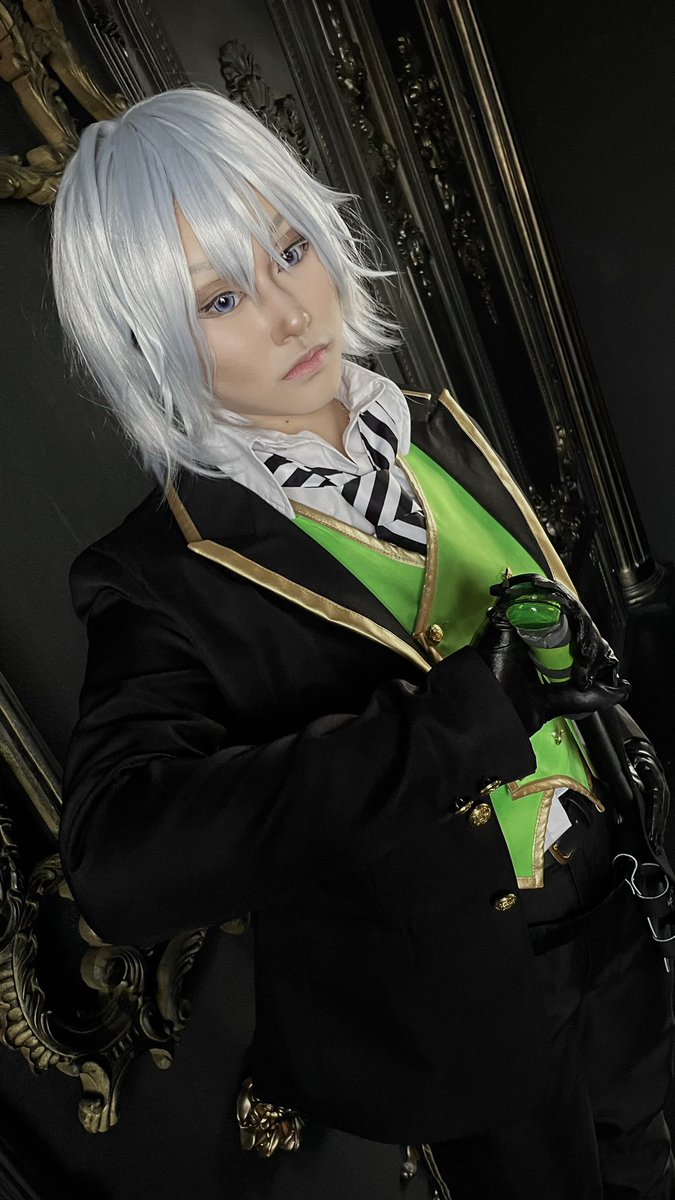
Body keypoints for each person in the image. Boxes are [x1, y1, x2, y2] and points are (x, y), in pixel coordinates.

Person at [51, 86, 675, 1199]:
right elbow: (119, 864)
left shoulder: (430, 424)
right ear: (148, 343)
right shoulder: (158, 576)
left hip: (619, 917)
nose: (291, 313)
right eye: (222, 297)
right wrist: (456, 727)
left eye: (291, 249)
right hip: (469, 1021)